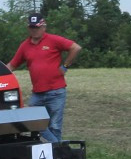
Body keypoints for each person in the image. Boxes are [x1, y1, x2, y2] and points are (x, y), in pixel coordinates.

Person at [8, 12, 81, 144]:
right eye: (32, 27)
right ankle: (59, 148)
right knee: (33, 122)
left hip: (56, 91)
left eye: (37, 27)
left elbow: (75, 48)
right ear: (28, 28)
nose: (34, 30)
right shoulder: (25, 46)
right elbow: (12, 65)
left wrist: (65, 66)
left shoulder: (53, 40)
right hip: (37, 93)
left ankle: (55, 156)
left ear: (43, 27)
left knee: (55, 126)